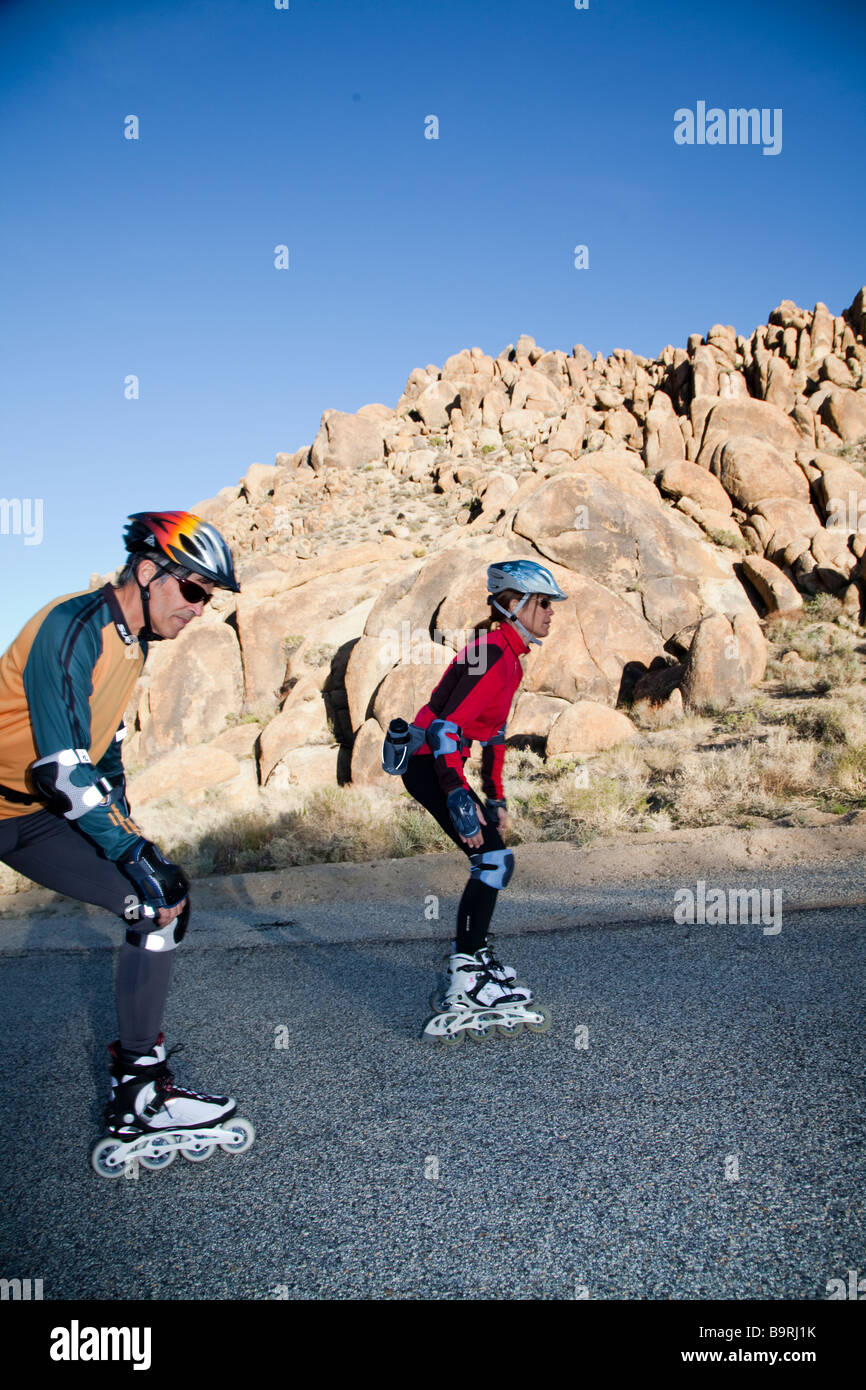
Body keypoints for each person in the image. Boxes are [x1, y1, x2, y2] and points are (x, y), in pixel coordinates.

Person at [0, 510, 254, 1175]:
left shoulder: (133, 644)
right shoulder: (73, 626)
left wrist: (141, 848)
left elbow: (103, 761)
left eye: (210, 597)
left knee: (155, 903)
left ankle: (140, 1091)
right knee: (147, 881)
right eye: (194, 590)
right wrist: (131, 851)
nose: (201, 609)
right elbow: (61, 767)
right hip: (26, 802)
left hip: (33, 816)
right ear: (147, 573)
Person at [391, 559, 566, 1044]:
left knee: (494, 859)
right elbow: (447, 730)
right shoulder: (490, 652)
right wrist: (460, 802)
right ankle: (468, 976)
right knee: (491, 860)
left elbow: (494, 736)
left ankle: (477, 956)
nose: (551, 614)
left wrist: (496, 798)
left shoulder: (508, 655)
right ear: (514, 605)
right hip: (431, 765)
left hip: (439, 766)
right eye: (544, 604)